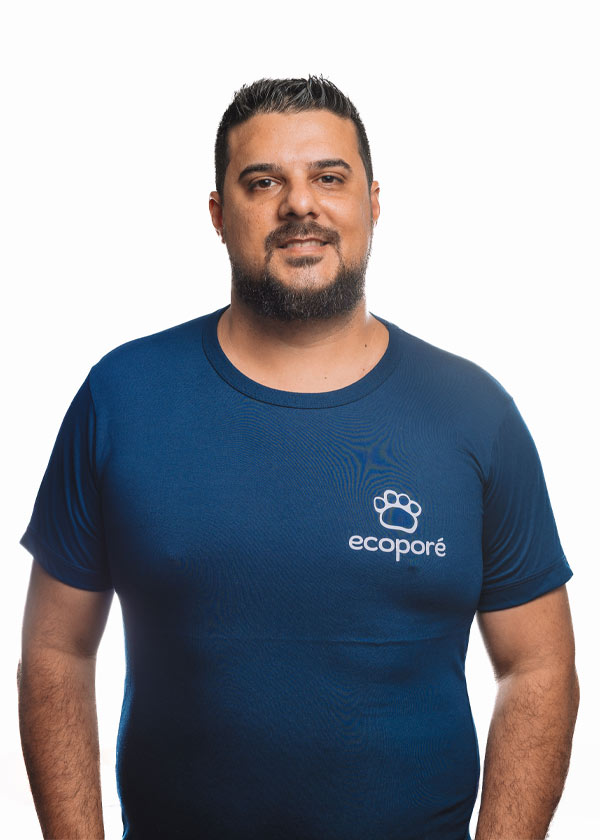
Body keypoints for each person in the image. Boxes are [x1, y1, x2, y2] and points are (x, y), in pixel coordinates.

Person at [17, 75, 578, 840]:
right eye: (263, 182)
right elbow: (55, 648)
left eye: (329, 177)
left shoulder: (475, 414)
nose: (300, 205)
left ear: (373, 203)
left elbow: (537, 666)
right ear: (218, 215)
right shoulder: (122, 396)